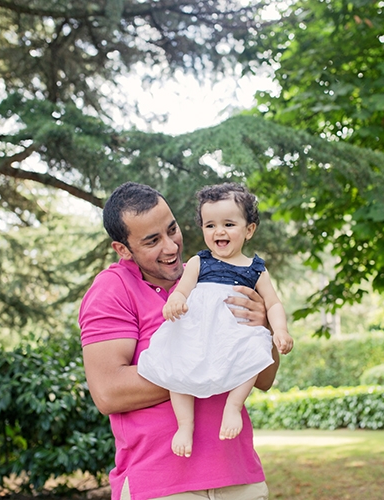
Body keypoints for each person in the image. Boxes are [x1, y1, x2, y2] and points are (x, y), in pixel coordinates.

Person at [79, 181, 280, 500]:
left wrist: (264, 327)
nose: (172, 247)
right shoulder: (112, 290)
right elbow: (108, 391)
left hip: (240, 477)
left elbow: (265, 378)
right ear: (123, 249)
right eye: (152, 241)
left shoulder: (215, 277)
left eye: (172, 230)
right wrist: (212, 364)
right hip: (162, 485)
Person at [137, 183, 293, 459]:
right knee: (178, 366)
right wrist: (176, 301)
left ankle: (233, 406)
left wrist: (279, 329)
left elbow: (273, 303)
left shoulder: (255, 268)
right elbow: (183, 288)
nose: (218, 231)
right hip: (199, 330)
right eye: (210, 226)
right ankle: (184, 426)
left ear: (249, 230)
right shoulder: (200, 262)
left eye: (229, 224)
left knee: (254, 352)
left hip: (234, 332)